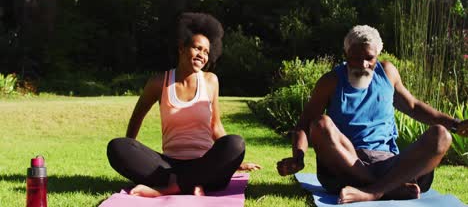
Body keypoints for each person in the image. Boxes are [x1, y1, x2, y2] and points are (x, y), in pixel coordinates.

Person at [277, 25, 468, 204]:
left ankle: (373, 190)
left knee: (442, 135)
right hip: (346, 164)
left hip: (389, 162)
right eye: (354, 57)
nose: (362, 64)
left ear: (377, 54)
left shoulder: (387, 73)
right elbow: (304, 124)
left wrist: (455, 124)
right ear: (345, 54)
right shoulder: (331, 81)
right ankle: (386, 188)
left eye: (369, 57)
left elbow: (413, 106)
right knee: (320, 123)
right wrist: (298, 158)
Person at [107, 12, 261, 197]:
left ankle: (173, 186)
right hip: (167, 166)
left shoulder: (211, 81)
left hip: (204, 163)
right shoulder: (159, 82)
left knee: (236, 143)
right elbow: (137, 116)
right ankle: (188, 183)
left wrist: (232, 161)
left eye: (206, 52)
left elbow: (216, 126)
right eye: (197, 48)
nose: (202, 55)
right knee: (117, 147)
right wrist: (130, 149)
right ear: (181, 48)